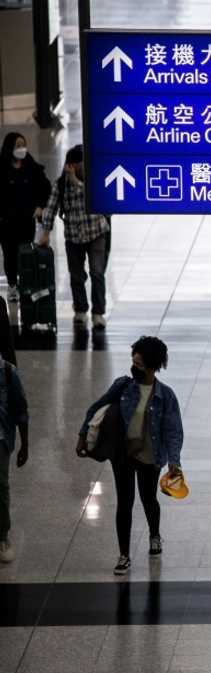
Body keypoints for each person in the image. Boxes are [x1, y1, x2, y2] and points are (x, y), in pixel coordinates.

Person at [77, 337, 184, 575]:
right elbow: (96, 407)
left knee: (148, 499)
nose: (134, 367)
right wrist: (83, 433)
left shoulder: (166, 396)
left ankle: (154, 534)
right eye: (133, 361)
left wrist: (174, 462)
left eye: (139, 363)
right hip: (123, 453)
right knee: (124, 502)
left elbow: (173, 430)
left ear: (153, 366)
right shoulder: (123, 386)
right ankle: (124, 554)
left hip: (150, 455)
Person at [39, 144, 111, 328]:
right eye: (79, 162)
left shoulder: (93, 178)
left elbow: (92, 196)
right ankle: (80, 309)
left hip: (96, 232)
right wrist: (45, 233)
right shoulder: (60, 184)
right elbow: (51, 208)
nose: (82, 165)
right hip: (73, 236)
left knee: (97, 272)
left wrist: (76, 182)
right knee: (76, 275)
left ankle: (98, 312)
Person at [0, 133, 51, 301]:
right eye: (18, 145)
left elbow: (45, 188)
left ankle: (25, 282)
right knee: (9, 254)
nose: (22, 149)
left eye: (24, 144)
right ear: (10, 148)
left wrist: (40, 207)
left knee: (25, 252)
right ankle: (12, 284)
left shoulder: (31, 167)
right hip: (7, 222)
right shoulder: (2, 169)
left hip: (26, 220)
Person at [0, 354, 30, 564]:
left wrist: (25, 444)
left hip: (0, 438)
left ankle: (2, 537)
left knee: (0, 487)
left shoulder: (8, 372)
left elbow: (21, 410)